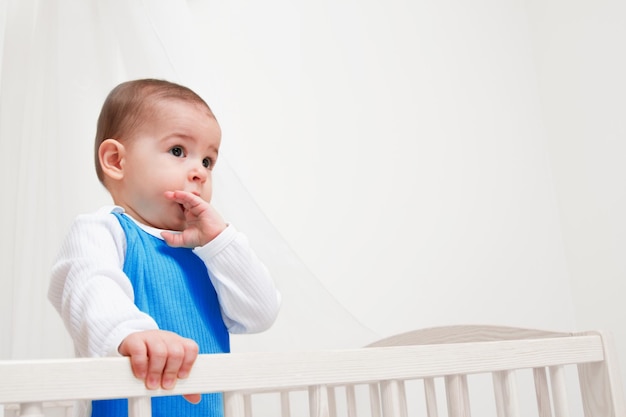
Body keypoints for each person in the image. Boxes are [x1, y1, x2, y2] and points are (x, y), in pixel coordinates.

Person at [48, 79, 281, 417]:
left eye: (208, 161)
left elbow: (260, 313)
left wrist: (220, 240)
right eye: (178, 151)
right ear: (115, 160)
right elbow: (90, 286)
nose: (199, 173)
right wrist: (132, 334)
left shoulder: (207, 254)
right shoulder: (103, 230)